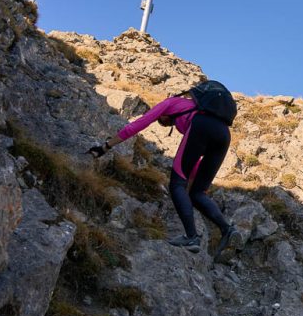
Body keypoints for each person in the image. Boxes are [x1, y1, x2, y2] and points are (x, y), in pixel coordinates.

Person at [89, 92, 241, 255]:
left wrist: (106, 146)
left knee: (176, 185)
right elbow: (194, 158)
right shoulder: (195, 108)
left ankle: (191, 237)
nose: (164, 123)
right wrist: (190, 187)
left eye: (161, 121)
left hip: (201, 126)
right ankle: (227, 230)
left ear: (164, 114)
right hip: (224, 135)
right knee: (197, 193)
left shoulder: (169, 103)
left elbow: (139, 124)